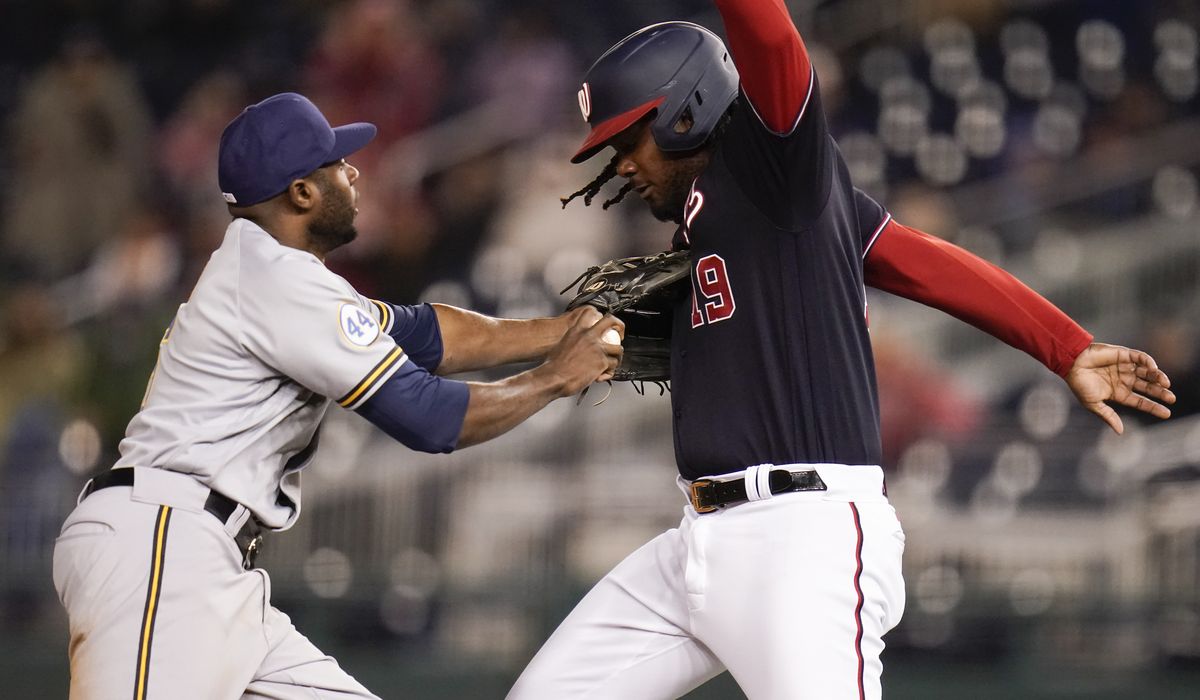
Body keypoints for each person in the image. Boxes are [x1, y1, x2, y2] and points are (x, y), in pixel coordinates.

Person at [508, 3, 1176, 698]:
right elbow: (926, 263)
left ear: (688, 110)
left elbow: (767, 34)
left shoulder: (777, 168)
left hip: (804, 538)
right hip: (695, 542)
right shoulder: (770, 215)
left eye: (630, 137)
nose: (620, 162)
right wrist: (1064, 344)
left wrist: (1066, 348)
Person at [51, 92, 624, 699]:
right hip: (163, 549)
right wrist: (556, 377)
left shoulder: (275, 275)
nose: (353, 173)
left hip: (202, 557)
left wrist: (561, 330)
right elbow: (429, 418)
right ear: (302, 192)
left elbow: (429, 335)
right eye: (337, 164)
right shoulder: (277, 281)